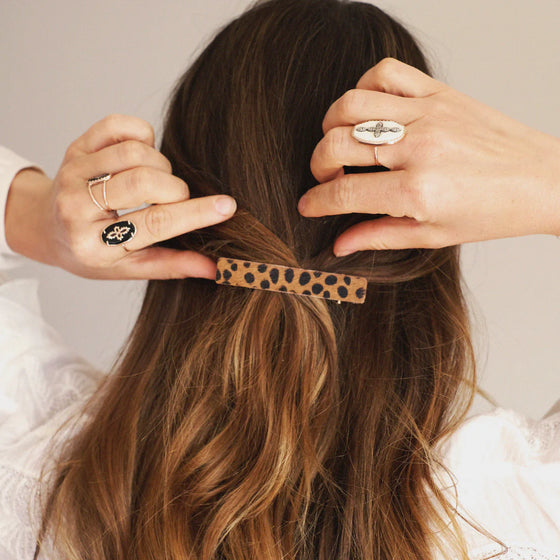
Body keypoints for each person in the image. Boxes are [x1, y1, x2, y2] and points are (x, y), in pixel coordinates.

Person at [1, 0, 559, 559]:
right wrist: (545, 178)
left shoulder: (32, 471)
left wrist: (35, 219)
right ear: (428, 239)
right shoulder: (520, 508)